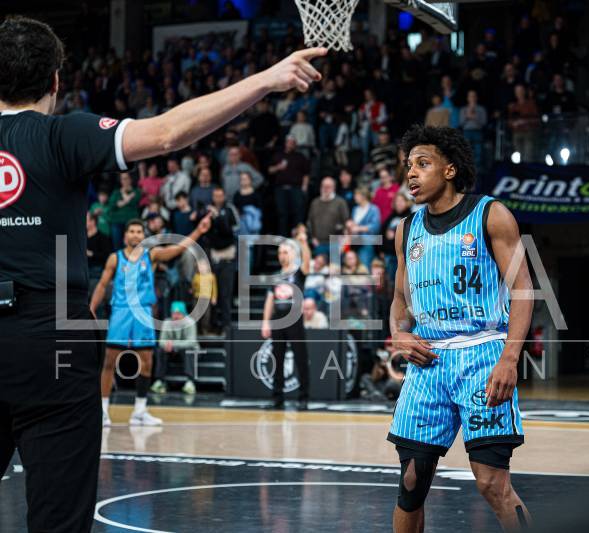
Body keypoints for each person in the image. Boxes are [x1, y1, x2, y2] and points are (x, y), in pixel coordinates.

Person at [0, 18, 322, 531]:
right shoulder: (63, 134)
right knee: (57, 519)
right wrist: (266, 79)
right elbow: (170, 131)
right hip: (51, 333)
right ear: (56, 81)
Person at [387, 125, 533, 532]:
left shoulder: (491, 214)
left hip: (483, 355)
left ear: (449, 170)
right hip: (428, 360)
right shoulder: (406, 230)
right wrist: (399, 334)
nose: (411, 173)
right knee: (411, 482)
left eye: (422, 164)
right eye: (408, 166)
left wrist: (509, 358)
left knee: (491, 482)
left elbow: (523, 289)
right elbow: (399, 299)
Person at [90, 217, 211, 426]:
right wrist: (91, 308)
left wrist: (198, 231)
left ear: (144, 236)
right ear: (125, 236)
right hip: (121, 311)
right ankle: (102, 411)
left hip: (143, 312)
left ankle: (139, 411)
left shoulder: (151, 255)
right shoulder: (115, 258)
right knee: (109, 361)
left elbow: (178, 248)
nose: (135, 235)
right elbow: (102, 285)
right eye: (132, 231)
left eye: (139, 231)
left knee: (147, 361)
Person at [260, 236, 311, 410]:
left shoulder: (298, 272)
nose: (282, 255)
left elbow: (307, 262)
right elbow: (269, 300)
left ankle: (303, 397)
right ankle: (277, 398)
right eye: (280, 252)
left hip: (294, 320)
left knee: (300, 358)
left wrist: (303, 243)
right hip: (278, 320)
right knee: (278, 359)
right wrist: (265, 322)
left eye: (285, 252)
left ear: (293, 254)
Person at [206, 186, 240, 333]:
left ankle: (226, 325)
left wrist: (219, 217)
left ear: (224, 196)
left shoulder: (230, 209)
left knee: (226, 293)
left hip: (227, 256)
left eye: (220, 196)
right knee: (213, 293)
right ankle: (213, 324)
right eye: (215, 196)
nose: (218, 198)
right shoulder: (207, 210)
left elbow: (232, 230)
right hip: (213, 256)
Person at [151, 301, 201, 396]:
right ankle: (159, 381)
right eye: (174, 313)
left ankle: (190, 382)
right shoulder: (167, 323)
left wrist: (172, 344)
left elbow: (191, 342)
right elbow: (161, 341)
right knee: (160, 350)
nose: (176, 316)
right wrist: (168, 345)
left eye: (178, 314)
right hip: (172, 351)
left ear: (184, 314)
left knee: (189, 350)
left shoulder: (190, 322)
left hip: (189, 351)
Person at [268, 135, 310, 236]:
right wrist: (278, 167)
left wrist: (304, 187)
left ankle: (298, 237)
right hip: (280, 189)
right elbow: (269, 170)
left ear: (295, 144)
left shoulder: (300, 157)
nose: (290, 144)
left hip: (296, 188)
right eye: (289, 142)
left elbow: (306, 174)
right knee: (282, 214)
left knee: (298, 214)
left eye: (292, 142)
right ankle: (283, 238)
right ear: (285, 143)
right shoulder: (278, 155)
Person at [307, 176, 350, 257]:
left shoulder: (340, 202)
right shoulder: (315, 203)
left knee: (335, 265)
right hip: (319, 243)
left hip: (336, 243)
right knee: (320, 265)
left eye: (328, 187)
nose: (325, 189)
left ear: (333, 188)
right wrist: (312, 238)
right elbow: (309, 222)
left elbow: (347, 222)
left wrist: (344, 242)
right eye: (323, 186)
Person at [347, 186, 381, 268]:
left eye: (357, 195)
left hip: (367, 242)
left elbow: (375, 227)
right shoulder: (355, 209)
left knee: (364, 266)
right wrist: (350, 225)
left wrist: (358, 228)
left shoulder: (373, 209)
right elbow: (354, 226)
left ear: (363, 196)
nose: (355, 197)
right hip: (355, 241)